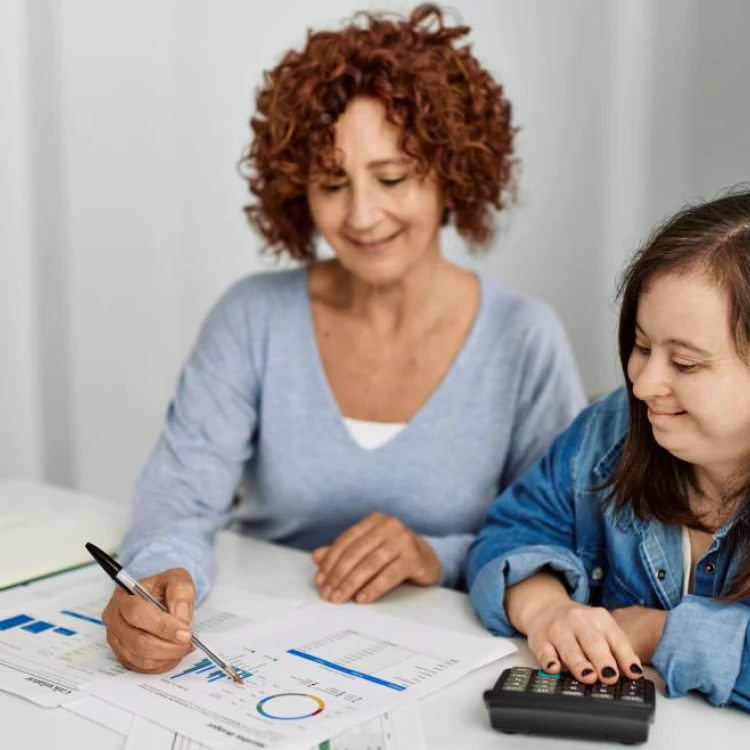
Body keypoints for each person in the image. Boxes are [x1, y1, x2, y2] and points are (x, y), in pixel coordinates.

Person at [102, 4, 585, 675]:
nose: (361, 215)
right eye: (332, 184)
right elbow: (178, 498)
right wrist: (156, 577)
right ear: (298, 194)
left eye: (392, 179)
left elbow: (560, 537)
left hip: (449, 665)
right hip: (257, 648)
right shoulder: (253, 318)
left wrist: (431, 555)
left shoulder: (523, 339)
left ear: (452, 172)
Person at [466, 188, 750, 711]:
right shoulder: (610, 428)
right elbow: (512, 530)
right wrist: (545, 608)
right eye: (642, 347)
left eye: (684, 364)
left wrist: (659, 632)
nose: (643, 386)